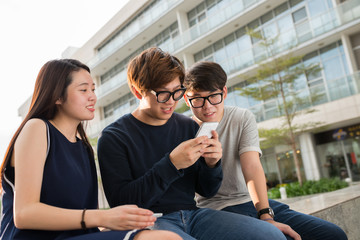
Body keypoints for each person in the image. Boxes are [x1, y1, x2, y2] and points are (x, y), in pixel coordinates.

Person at [97, 47, 288, 240]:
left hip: (195, 216)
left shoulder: (187, 126)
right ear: (138, 92)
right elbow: (122, 203)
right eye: (163, 94)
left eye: (177, 92)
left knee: (271, 236)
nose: (171, 102)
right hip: (151, 221)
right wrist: (171, 164)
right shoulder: (114, 137)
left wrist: (212, 164)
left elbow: (206, 190)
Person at [0, 59, 181, 240]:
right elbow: (24, 214)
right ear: (57, 96)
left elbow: (84, 221)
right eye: (83, 90)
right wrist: (104, 217)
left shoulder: (84, 147)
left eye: (93, 89)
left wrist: (119, 221)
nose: (93, 96)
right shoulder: (37, 128)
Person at [183, 61, 348, 240]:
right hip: (216, 210)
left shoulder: (241, 117)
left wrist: (265, 214)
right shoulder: (183, 130)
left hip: (252, 203)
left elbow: (252, 167)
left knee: (332, 235)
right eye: (197, 99)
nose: (207, 106)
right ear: (186, 99)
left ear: (224, 92)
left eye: (213, 96)